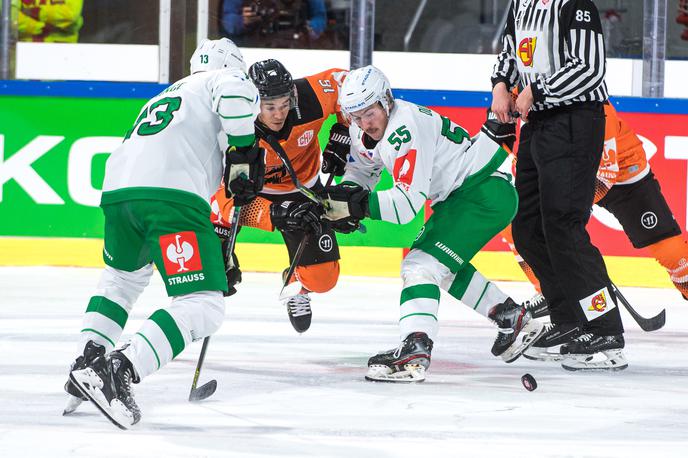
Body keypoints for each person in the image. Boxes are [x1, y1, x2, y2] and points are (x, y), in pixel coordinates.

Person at [64, 38, 263, 429]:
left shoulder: (167, 96)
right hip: (169, 201)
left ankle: (87, 362)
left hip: (119, 195)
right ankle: (119, 367)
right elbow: (236, 92)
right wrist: (243, 151)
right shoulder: (224, 80)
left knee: (120, 281)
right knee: (203, 303)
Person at [318, 65, 544, 383]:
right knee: (440, 265)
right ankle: (512, 318)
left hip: (482, 191)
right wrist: (348, 195)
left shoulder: (403, 127)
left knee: (419, 266)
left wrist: (356, 206)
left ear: (386, 100)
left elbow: (406, 207)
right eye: (355, 116)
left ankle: (415, 348)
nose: (364, 123)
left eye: (369, 112)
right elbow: (364, 170)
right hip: (466, 194)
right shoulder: (363, 128)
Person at [491, 0, 626, 371]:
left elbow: (589, 69)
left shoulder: (576, 4)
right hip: (536, 125)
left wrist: (536, 89)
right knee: (528, 228)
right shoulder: (522, 2)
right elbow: (509, 48)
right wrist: (501, 85)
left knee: (564, 226)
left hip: (574, 121)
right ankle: (568, 321)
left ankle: (605, 329)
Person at [501, 103, 688, 348]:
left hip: (623, 173)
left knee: (671, 253)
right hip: (564, 172)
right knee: (519, 227)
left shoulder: (595, 108)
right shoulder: (523, 103)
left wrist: (568, 212)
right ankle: (553, 291)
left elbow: (605, 175)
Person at [211, 59, 349, 333]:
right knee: (211, 271)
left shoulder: (310, 97)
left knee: (324, 280)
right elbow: (220, 201)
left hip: (303, 191)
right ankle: (195, 310)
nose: (279, 114)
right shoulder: (232, 121)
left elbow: (345, 82)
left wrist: (343, 131)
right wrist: (273, 213)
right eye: (270, 107)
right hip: (249, 192)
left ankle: (297, 282)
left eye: (285, 105)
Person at [221, 0, 327, 47]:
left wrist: (310, 28)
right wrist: (241, 20)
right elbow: (228, 21)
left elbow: (320, 17)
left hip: (297, 46)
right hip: (258, 45)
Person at [15, 0, 84, 43]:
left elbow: (70, 15)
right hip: (24, 50)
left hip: (62, 52)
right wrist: (40, 27)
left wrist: (37, 12)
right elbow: (11, 16)